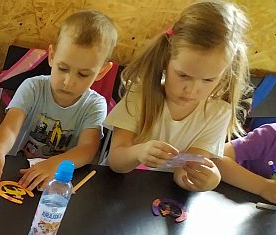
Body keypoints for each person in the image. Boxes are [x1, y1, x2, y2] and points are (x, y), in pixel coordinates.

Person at [105, 1, 251, 193]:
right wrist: (138, 153)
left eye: (208, 80)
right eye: (183, 75)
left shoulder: (218, 113)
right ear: (166, 60)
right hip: (117, 188)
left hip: (163, 197)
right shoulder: (140, 96)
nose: (191, 90)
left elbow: (183, 174)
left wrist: (205, 180)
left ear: (224, 75)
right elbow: (116, 162)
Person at [0, 10, 117, 189]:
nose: (68, 82)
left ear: (102, 72)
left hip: (59, 179)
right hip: (17, 172)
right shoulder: (33, 87)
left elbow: (87, 149)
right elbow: (10, 127)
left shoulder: (95, 105)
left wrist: (54, 164)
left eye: (83, 74)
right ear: (51, 56)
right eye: (63, 68)